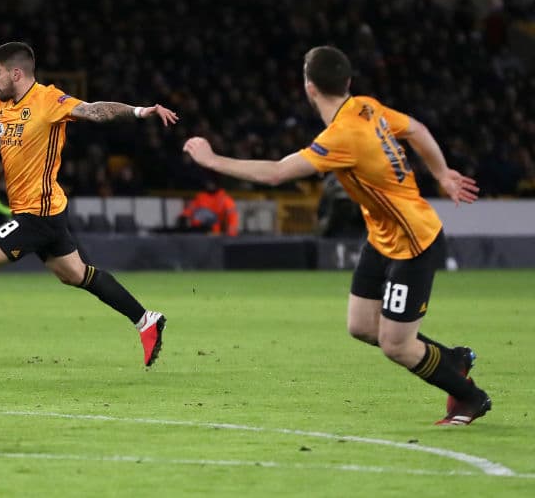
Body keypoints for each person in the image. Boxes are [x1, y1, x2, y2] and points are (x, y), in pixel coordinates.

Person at [182, 45, 490, 426]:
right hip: (382, 238)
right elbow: (417, 129)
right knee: (362, 326)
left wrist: (212, 160)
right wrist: (441, 172)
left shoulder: (342, 136)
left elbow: (277, 173)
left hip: (414, 242)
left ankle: (470, 397)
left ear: (309, 87)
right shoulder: (366, 106)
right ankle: (453, 360)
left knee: (396, 345)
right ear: (347, 82)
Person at [0, 41, 177, 370]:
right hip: (44, 213)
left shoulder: (49, 100)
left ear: (16, 73)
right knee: (76, 274)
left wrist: (140, 111)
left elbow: (94, 110)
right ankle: (146, 320)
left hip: (37, 215)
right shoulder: (0, 108)